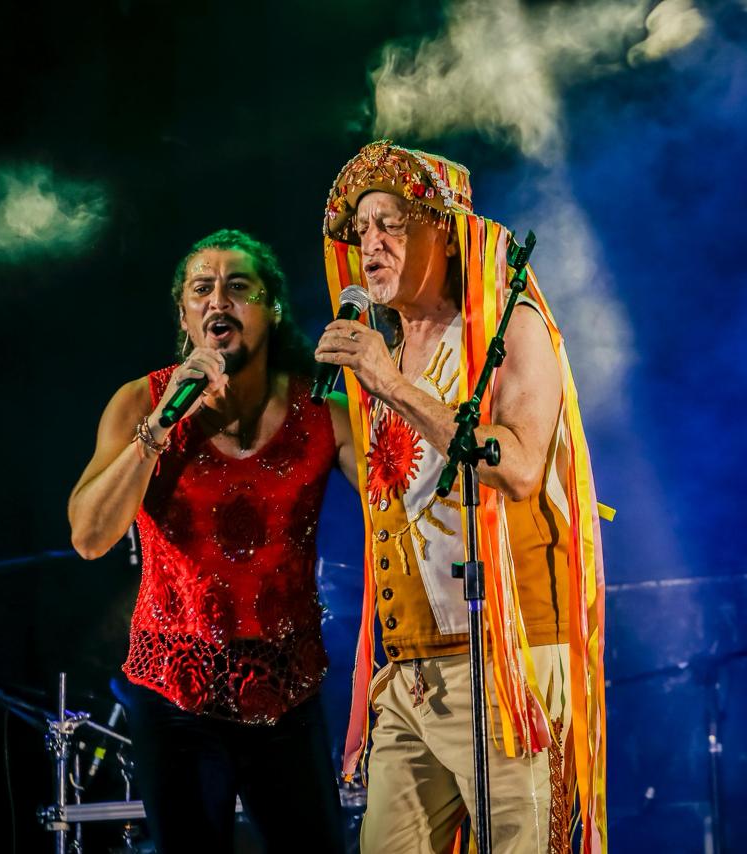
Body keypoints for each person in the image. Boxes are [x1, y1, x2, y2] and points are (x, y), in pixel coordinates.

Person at [314, 141, 611, 854]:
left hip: (506, 664)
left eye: (391, 223)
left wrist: (391, 385)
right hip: (408, 675)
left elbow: (520, 467)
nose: (370, 244)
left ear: (445, 234)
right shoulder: (383, 355)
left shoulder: (510, 329)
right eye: (361, 230)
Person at [68, 229, 355, 854]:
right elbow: (89, 536)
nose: (218, 299)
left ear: (272, 308)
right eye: (202, 288)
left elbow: (405, 498)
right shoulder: (140, 402)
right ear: (185, 315)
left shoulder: (322, 412)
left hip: (287, 693)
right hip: (174, 697)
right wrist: (160, 425)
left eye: (238, 286)